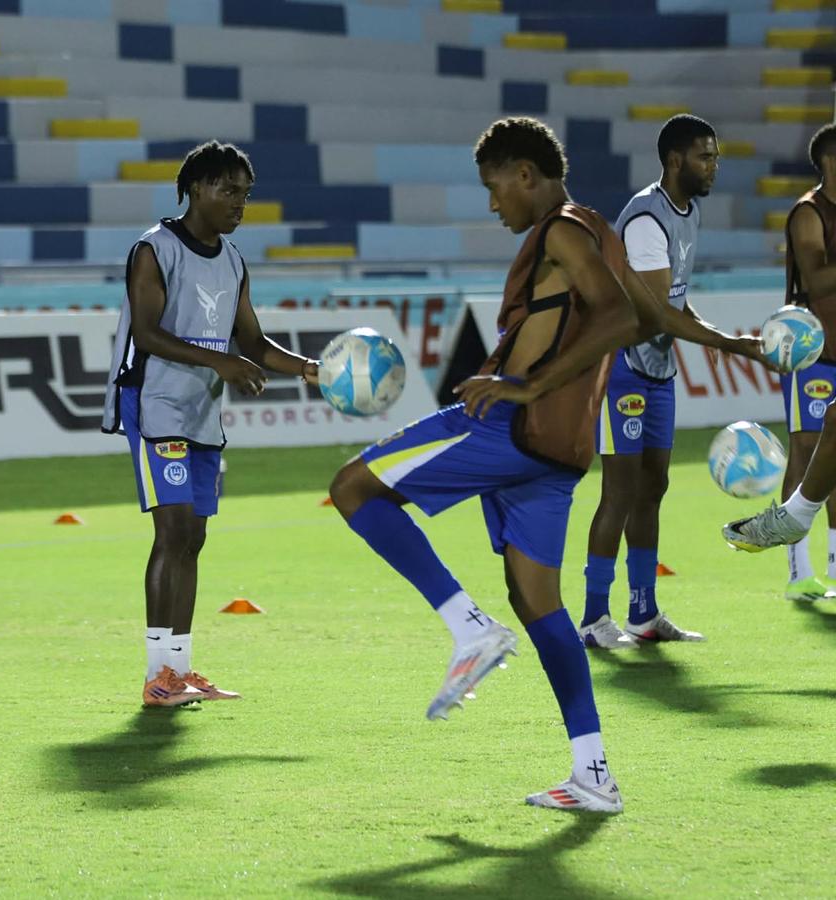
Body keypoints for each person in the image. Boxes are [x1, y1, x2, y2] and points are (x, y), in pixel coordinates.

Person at [329, 117, 767, 814]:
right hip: (558, 451)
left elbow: (624, 318)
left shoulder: (562, 229)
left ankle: (466, 628)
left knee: (352, 487)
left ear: (525, 173)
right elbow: (645, 315)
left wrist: (527, 383)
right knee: (538, 604)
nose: (493, 203)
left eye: (494, 187)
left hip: (507, 425)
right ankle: (592, 772)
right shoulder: (598, 228)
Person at [102, 141, 319, 708]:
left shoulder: (233, 259)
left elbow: (251, 341)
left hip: (201, 411)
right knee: (173, 531)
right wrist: (221, 361)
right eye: (229, 191)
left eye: (245, 195)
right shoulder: (154, 248)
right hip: (154, 405)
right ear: (196, 187)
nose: (238, 204)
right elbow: (146, 334)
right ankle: (157, 677)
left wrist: (307, 370)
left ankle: (179, 670)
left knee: (194, 537)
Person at [581, 115, 744, 647]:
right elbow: (651, 315)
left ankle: (643, 613)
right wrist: (731, 344)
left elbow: (673, 295)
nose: (713, 165)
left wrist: (706, 333)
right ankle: (593, 618)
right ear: (675, 161)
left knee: (654, 486)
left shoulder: (688, 211)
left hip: (659, 369)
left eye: (715, 155)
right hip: (625, 365)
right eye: (705, 156)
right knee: (621, 489)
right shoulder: (647, 220)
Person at [725, 124, 836, 559]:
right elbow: (817, 279)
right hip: (812, 348)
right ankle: (799, 565)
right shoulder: (809, 212)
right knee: (812, 443)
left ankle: (812, 537)